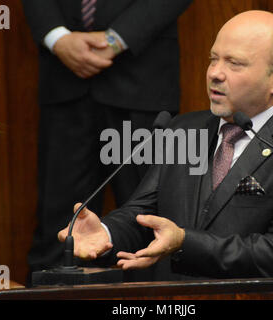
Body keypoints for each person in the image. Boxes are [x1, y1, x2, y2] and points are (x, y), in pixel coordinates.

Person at [58, 10, 273, 281]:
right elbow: (143, 213)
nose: (215, 73)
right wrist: (106, 232)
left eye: (234, 63)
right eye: (213, 59)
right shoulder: (182, 129)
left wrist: (185, 242)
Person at [20, 0, 194, 277]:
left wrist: (118, 37)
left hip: (142, 79)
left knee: (148, 226)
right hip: (64, 81)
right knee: (58, 230)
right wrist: (57, 37)